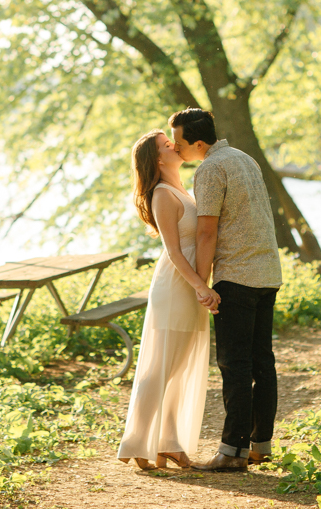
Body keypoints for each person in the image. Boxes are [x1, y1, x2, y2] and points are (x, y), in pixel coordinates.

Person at [169, 107, 283, 473]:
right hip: (267, 273)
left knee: (234, 365)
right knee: (262, 362)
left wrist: (201, 284)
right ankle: (260, 446)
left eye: (179, 143)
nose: (175, 149)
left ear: (198, 143)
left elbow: (206, 231)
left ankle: (231, 451)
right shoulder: (244, 159)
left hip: (237, 276)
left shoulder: (209, 168)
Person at [116, 129, 214, 471]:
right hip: (176, 284)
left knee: (180, 366)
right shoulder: (161, 194)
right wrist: (201, 286)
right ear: (158, 158)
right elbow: (173, 252)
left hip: (189, 283)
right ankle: (136, 442)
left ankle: (168, 443)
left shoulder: (181, 188)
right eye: (166, 143)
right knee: (163, 366)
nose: (174, 144)